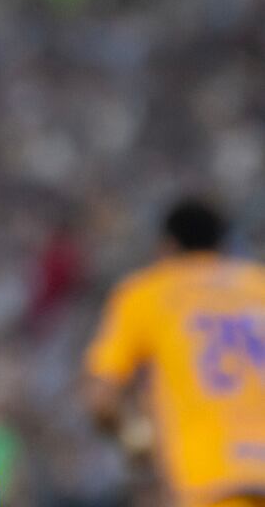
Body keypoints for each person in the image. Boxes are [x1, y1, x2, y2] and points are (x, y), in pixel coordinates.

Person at [84, 199, 265, 507]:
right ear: (222, 244)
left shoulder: (146, 293)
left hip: (209, 481)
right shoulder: (257, 284)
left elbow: (101, 398)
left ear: (167, 246)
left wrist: (137, 440)